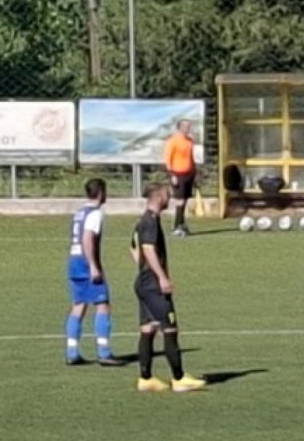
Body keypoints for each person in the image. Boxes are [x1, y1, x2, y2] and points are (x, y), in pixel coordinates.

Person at [130, 182, 206, 393]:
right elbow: (147, 249)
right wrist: (161, 277)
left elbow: (134, 248)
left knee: (148, 329)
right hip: (153, 285)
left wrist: (143, 270)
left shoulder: (143, 220)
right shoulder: (150, 222)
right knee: (170, 329)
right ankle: (179, 379)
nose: (169, 197)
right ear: (158, 196)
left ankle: (146, 378)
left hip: (143, 283)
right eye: (166, 194)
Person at [64, 178, 123, 367]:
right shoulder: (95, 214)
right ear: (101, 193)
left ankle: (72, 352)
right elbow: (87, 238)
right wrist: (93, 265)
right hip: (85, 262)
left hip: (74, 261)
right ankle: (104, 352)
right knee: (102, 304)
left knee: (79, 305)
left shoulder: (80, 212)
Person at [164, 119, 197, 237]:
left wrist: (194, 172)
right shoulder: (173, 141)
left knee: (185, 200)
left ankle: (182, 224)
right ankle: (176, 226)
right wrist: (171, 174)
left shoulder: (190, 141)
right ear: (179, 127)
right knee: (180, 200)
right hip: (178, 174)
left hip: (189, 174)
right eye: (185, 126)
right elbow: (167, 159)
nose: (187, 128)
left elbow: (191, 158)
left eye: (189, 126)